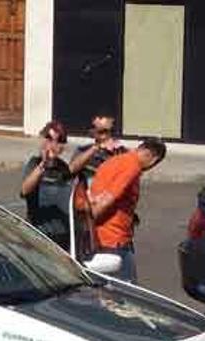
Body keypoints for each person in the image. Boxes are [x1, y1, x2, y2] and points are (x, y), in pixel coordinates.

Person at [89, 138, 167, 283]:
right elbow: (107, 199)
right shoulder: (132, 168)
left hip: (101, 235)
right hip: (114, 239)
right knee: (126, 291)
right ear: (153, 159)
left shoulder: (115, 160)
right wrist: (86, 224)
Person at [20, 121, 76, 251]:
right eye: (49, 138)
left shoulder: (63, 168)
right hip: (38, 238)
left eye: (59, 141)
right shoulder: (34, 164)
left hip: (62, 240)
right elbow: (25, 190)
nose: (53, 144)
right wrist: (43, 165)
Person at [69, 114, 127, 184]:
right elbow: (71, 169)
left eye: (110, 131)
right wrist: (94, 148)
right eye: (100, 132)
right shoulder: (84, 150)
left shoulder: (122, 152)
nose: (105, 136)